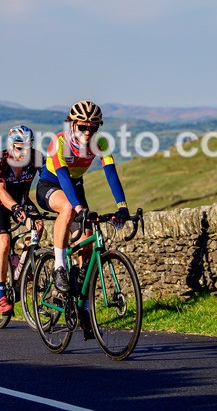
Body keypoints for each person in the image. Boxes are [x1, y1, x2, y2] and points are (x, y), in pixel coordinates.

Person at [36, 100, 130, 338]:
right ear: (72, 124)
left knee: (87, 243)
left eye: (93, 127)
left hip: (76, 186)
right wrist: (78, 206)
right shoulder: (59, 142)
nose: (88, 132)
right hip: (52, 184)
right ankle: (58, 267)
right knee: (67, 208)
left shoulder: (101, 143)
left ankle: (83, 304)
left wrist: (122, 206)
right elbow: (64, 177)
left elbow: (111, 173)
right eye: (83, 127)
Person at [0, 125, 45, 315]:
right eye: (19, 147)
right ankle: (1, 294)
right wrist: (15, 209)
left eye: (27, 147)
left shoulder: (36, 157)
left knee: (38, 227)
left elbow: (50, 179)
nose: (24, 151)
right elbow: (1, 190)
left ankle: (23, 266)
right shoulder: (0, 159)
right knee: (4, 241)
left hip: (23, 200)